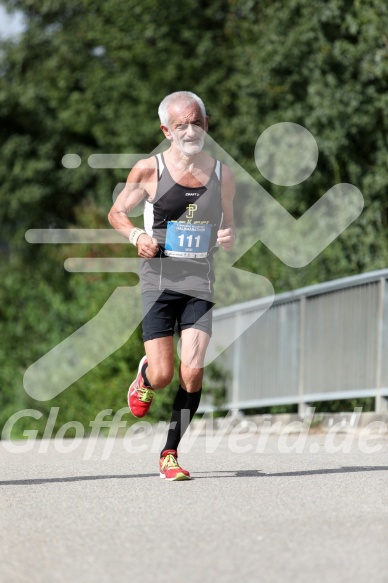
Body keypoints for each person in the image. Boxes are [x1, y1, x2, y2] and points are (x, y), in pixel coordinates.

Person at [108, 91, 235, 481]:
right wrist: (136, 238)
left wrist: (230, 236)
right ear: (166, 130)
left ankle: (170, 452)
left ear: (207, 125)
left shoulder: (221, 174)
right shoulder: (149, 170)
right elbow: (117, 213)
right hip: (158, 281)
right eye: (182, 125)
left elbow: (232, 225)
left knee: (192, 373)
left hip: (200, 281)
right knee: (164, 376)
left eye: (197, 122)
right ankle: (146, 376)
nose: (191, 130)